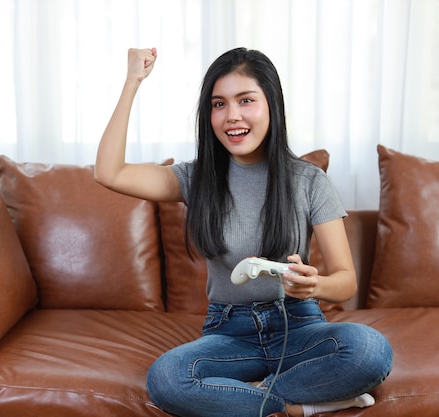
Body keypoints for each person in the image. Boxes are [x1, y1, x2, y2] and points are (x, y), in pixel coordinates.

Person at [94, 47, 393, 417]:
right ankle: (302, 407)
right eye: (219, 104)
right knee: (167, 378)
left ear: (272, 106)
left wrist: (315, 285)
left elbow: (346, 282)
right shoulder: (196, 178)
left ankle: (249, 399)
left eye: (246, 100)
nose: (231, 116)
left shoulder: (309, 180)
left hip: (297, 324)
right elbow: (109, 173)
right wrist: (132, 81)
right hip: (228, 331)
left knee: (370, 351)